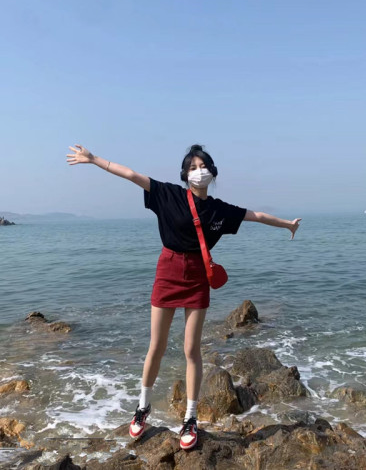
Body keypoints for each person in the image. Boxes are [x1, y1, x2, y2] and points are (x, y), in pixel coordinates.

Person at [67, 143, 301, 450]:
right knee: (157, 346)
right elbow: (131, 175)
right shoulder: (168, 195)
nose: (198, 171)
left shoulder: (219, 210)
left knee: (192, 349)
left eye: (203, 166)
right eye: (192, 167)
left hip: (198, 276)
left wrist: (287, 225)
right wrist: (93, 159)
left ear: (212, 172)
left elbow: (254, 215)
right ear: (184, 174)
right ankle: (142, 407)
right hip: (168, 269)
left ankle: (191, 417)